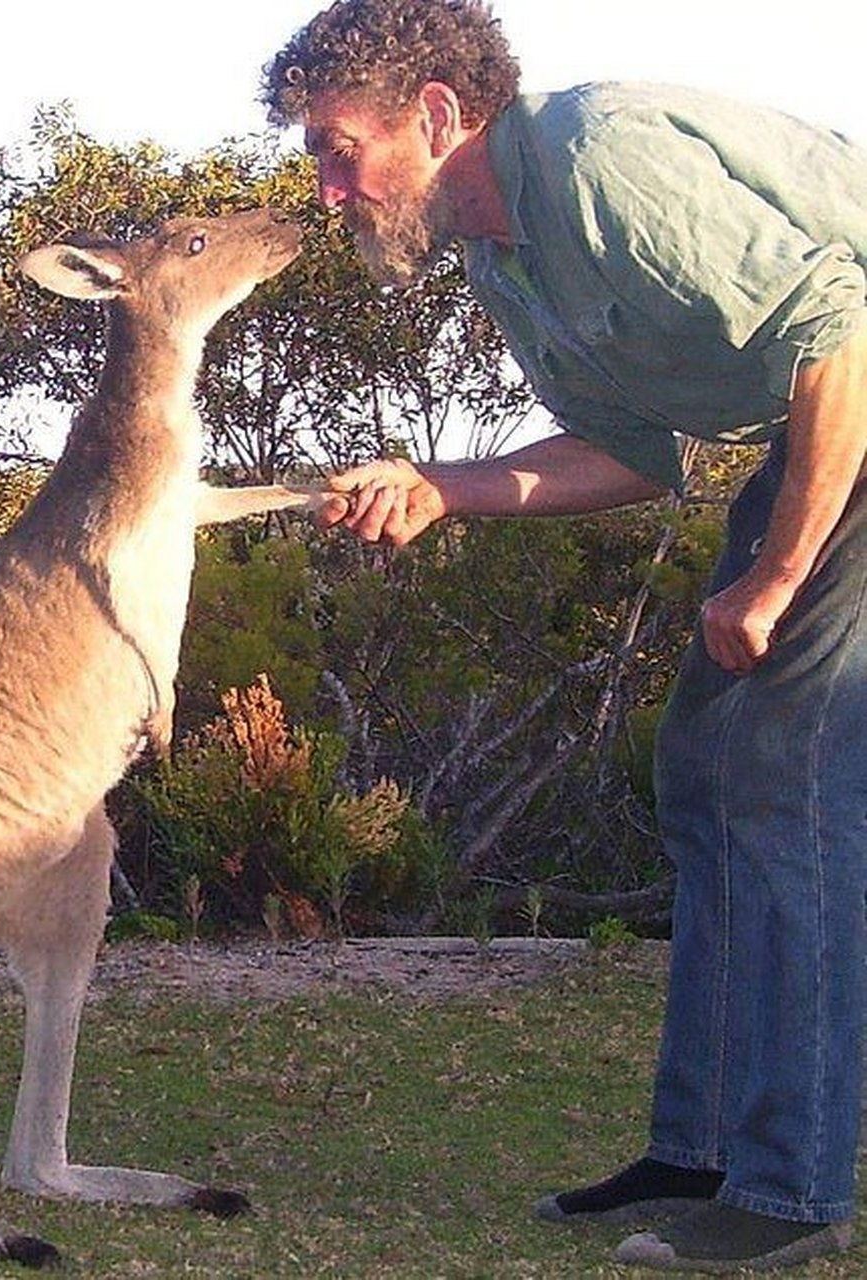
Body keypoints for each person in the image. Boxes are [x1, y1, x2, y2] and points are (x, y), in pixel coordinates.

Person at [262, 1, 867, 1273]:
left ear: (433, 113)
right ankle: (694, 1147)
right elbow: (628, 457)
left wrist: (772, 574)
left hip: (852, 400)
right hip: (821, 425)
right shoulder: (502, 256)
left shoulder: (597, 159)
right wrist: (440, 484)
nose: (325, 189)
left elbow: (839, 335)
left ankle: (787, 1186)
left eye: (337, 148)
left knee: (783, 783)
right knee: (702, 774)